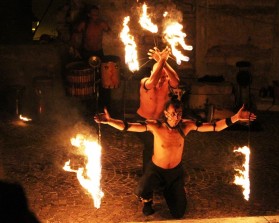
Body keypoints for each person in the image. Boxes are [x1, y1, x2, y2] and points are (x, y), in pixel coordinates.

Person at [94, 99, 256, 218]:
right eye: (172, 114)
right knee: (142, 189)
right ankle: (147, 201)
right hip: (155, 170)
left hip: (175, 173)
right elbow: (128, 126)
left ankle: (170, 191)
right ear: (165, 113)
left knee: (178, 213)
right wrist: (109, 122)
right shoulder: (155, 126)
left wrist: (235, 118)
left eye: (178, 114)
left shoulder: (186, 126)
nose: (175, 117)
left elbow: (215, 127)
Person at [135, 46, 180, 173]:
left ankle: (160, 172)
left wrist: (163, 61)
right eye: (159, 76)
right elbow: (152, 82)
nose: (162, 80)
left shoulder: (167, 83)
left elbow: (176, 81)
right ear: (152, 73)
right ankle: (148, 175)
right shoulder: (145, 82)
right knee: (150, 145)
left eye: (164, 77)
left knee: (160, 146)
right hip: (143, 120)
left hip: (160, 121)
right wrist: (161, 60)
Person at [70, 4, 112, 112]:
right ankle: (87, 105)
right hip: (87, 53)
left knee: (102, 77)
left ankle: (103, 104)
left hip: (99, 52)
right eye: (93, 15)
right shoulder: (84, 24)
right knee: (87, 78)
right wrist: (75, 49)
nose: (96, 16)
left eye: (97, 14)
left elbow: (110, 31)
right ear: (89, 15)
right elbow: (75, 35)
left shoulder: (102, 23)